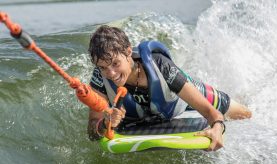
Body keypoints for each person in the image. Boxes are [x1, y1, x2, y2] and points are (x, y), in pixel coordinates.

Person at [87, 25, 252, 151]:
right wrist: (104, 124)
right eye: (103, 67)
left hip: (183, 98)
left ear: (128, 52)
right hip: (152, 115)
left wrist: (217, 127)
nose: (111, 73)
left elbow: (211, 113)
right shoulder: (100, 78)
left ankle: (248, 96)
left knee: (245, 115)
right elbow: (92, 132)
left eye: (116, 64)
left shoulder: (160, 65)